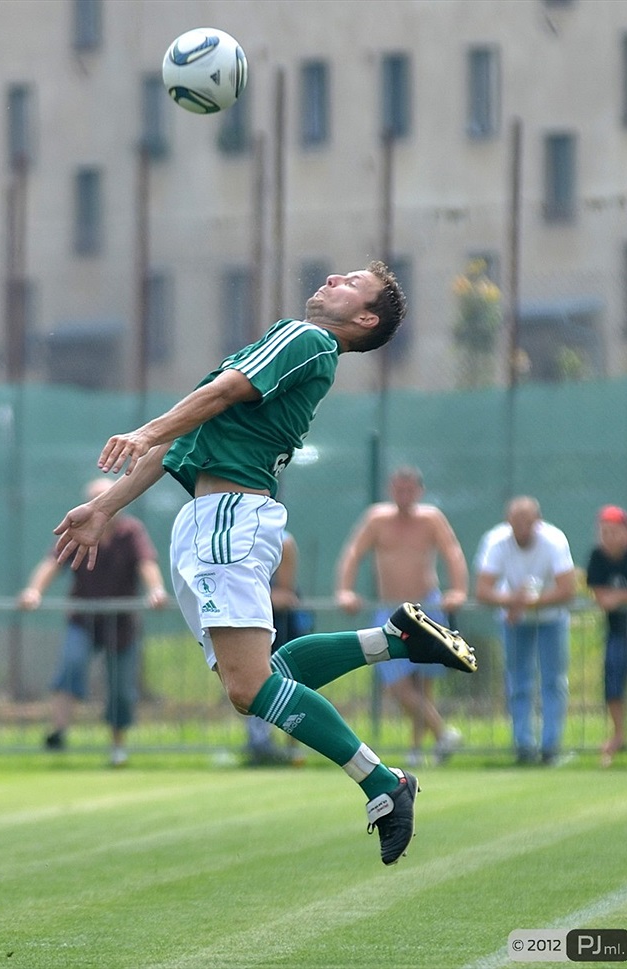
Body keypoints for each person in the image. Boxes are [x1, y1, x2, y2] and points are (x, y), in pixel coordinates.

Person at [52, 263, 477, 866]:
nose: (334, 275)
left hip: (230, 517)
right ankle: (393, 640)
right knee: (260, 681)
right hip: (213, 518)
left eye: (353, 282)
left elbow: (217, 396)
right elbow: (181, 439)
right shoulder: (297, 344)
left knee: (252, 687)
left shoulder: (307, 338)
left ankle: (383, 782)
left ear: (365, 319)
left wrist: (144, 430)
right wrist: (104, 508)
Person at [17, 479, 169, 766]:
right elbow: (52, 562)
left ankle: (117, 748)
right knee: (71, 665)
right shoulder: (78, 530)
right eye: (95, 500)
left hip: (122, 624)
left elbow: (146, 563)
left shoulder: (131, 532)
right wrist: (34, 591)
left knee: (121, 689)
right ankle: (58, 732)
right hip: (83, 620)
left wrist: (156, 590)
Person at [335, 466, 469, 766]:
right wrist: (345, 591)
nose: (404, 495)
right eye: (399, 489)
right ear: (390, 490)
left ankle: (417, 749)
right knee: (396, 683)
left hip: (427, 606)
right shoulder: (376, 519)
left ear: (420, 491)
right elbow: (353, 553)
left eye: (409, 489)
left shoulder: (431, 518)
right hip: (390, 608)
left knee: (424, 683)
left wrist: (458, 591)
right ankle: (443, 732)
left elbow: (452, 553)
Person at [475, 496, 576, 765]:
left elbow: (567, 589)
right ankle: (523, 747)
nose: (521, 528)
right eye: (515, 522)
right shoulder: (495, 541)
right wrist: (513, 601)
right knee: (518, 682)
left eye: (527, 522)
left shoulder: (554, 540)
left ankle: (550, 748)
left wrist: (529, 602)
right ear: (507, 522)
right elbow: (483, 590)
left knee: (553, 682)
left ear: (537, 521)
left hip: (551, 619)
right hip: (514, 622)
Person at [244, 530, 312, 766]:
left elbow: (284, 594)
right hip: (251, 626)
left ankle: (292, 750)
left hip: (282, 626)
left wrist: (251, 598)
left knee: (290, 683)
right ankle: (260, 746)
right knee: (251, 685)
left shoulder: (284, 542)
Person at [585, 505, 627, 767]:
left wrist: (618, 597)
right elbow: (600, 596)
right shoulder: (597, 557)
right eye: (604, 532)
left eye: (614, 531)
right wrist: (624, 598)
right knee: (613, 678)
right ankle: (619, 735)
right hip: (618, 630)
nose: (608, 537)